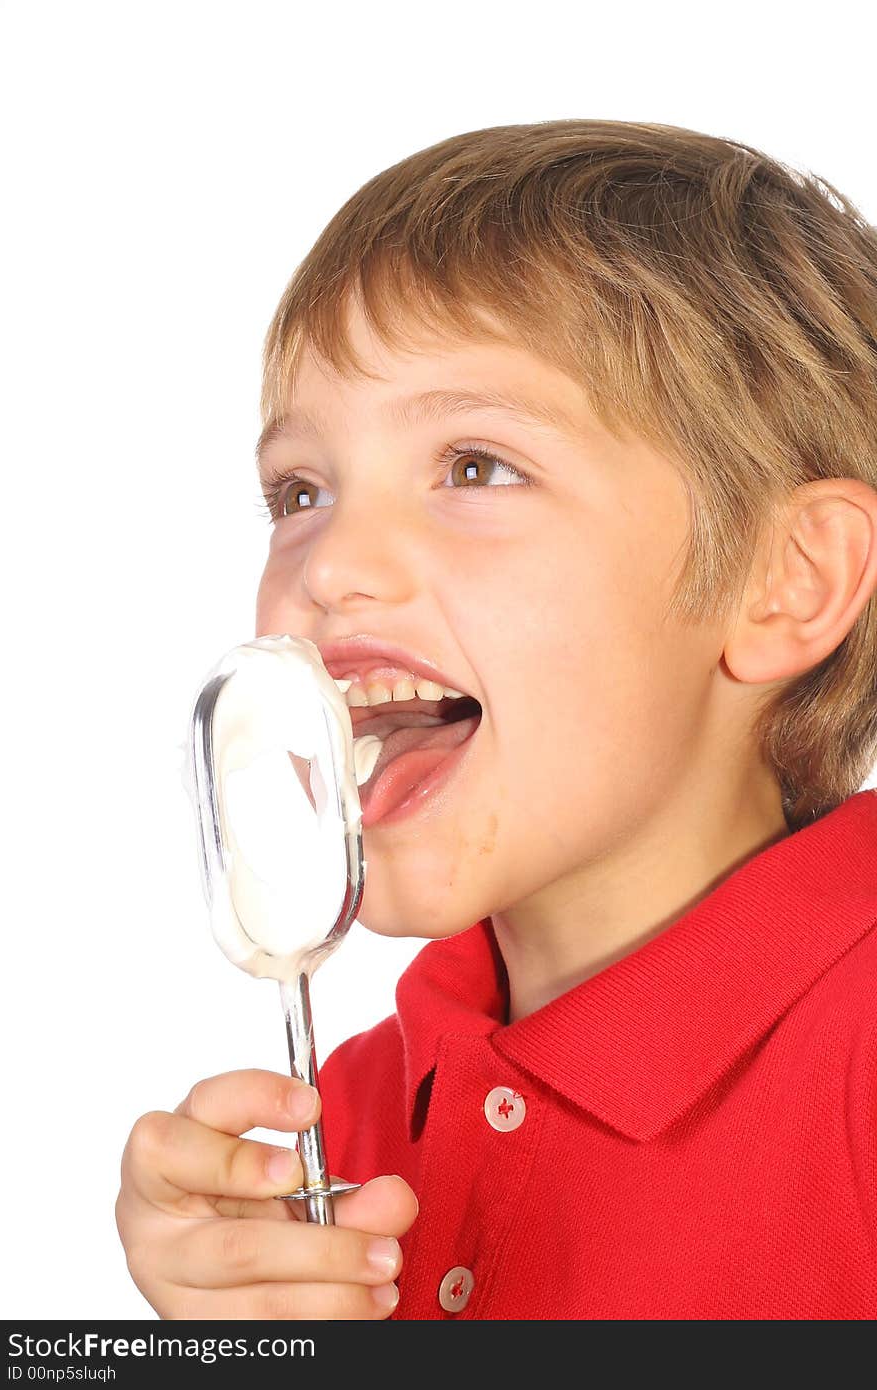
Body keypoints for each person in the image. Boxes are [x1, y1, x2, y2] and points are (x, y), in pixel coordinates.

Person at [115, 119, 877, 1319]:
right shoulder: (352, 1115)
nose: (331, 567)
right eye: (299, 492)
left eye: (474, 466)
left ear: (785, 579)